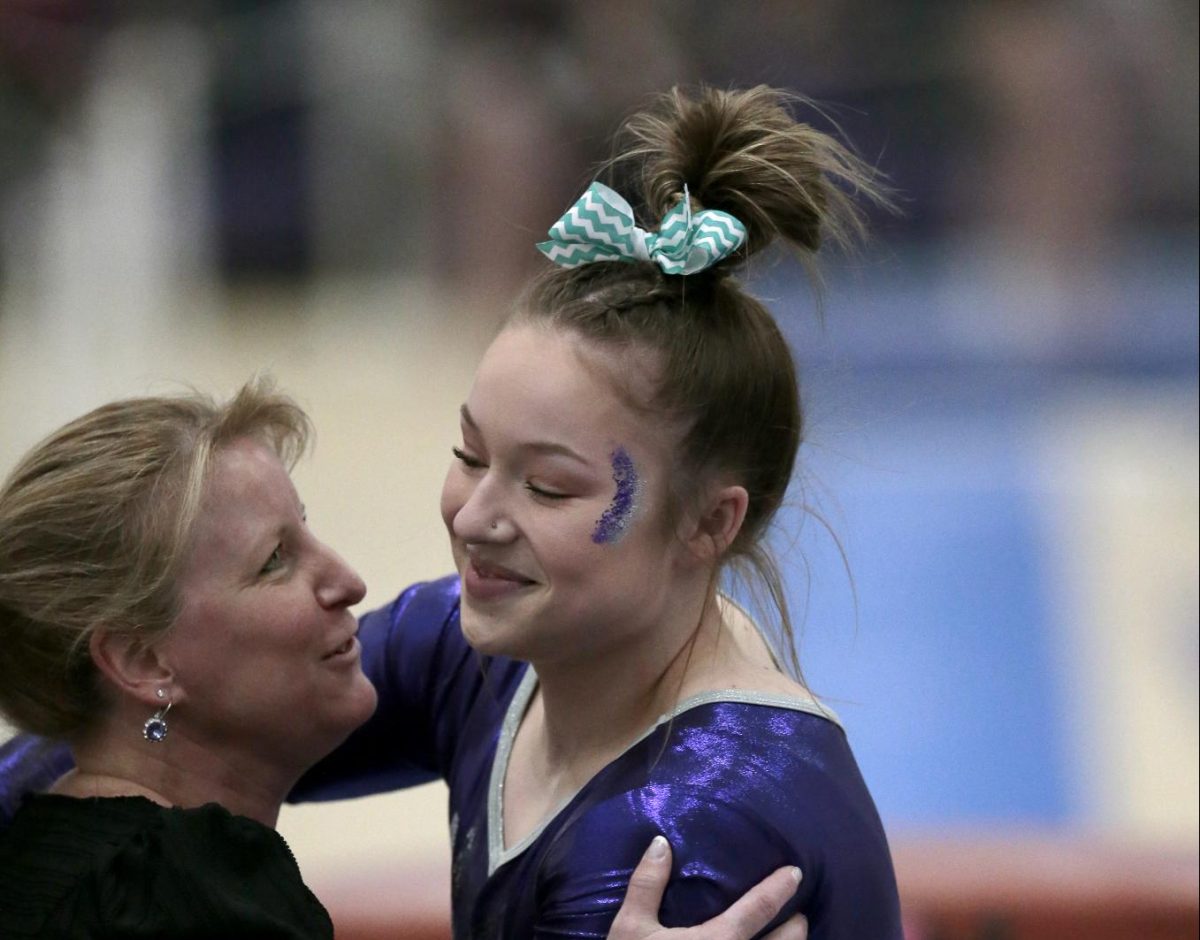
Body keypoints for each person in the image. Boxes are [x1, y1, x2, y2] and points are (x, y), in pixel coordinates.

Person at [291, 85, 903, 937]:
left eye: (547, 487)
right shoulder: (494, 657)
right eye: (471, 456)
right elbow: (206, 726)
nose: (473, 520)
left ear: (708, 524)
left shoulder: (687, 833)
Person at [0, 381, 807, 939]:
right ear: (144, 662)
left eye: (310, 530)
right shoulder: (175, 899)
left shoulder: (63, 853)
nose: (347, 581)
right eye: (277, 561)